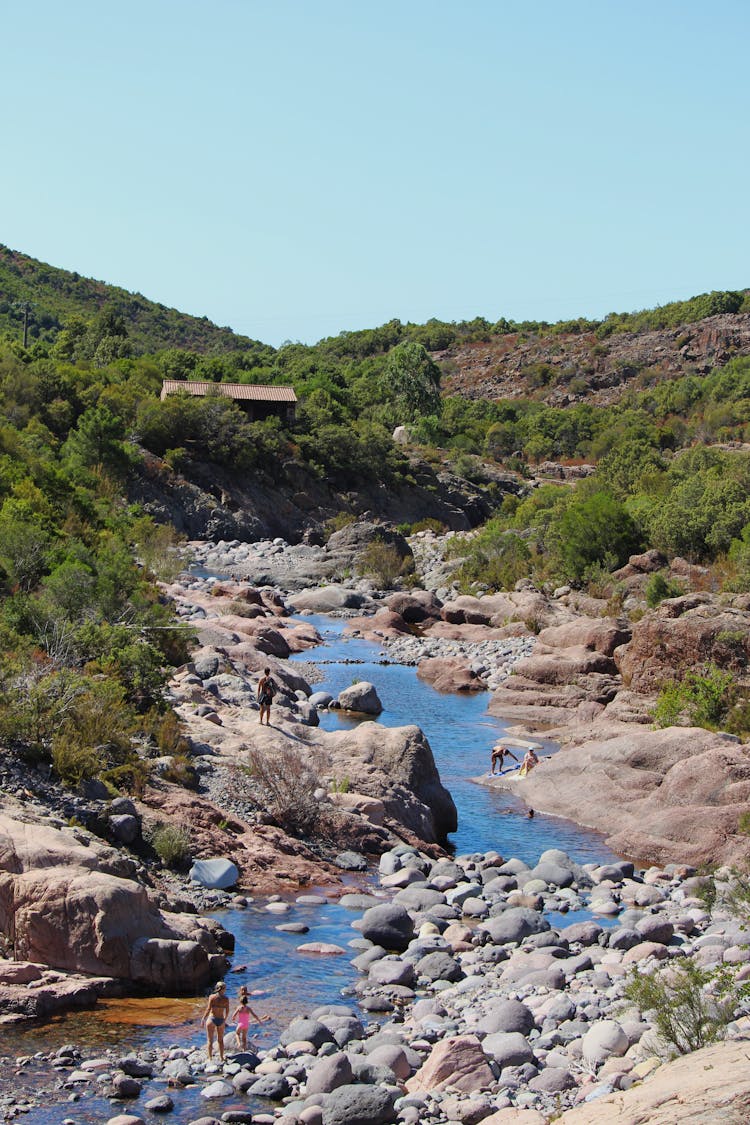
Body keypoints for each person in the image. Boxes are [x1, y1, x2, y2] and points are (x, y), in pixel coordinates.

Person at [231, 985, 271, 1050]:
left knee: (237, 1034)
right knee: (244, 1037)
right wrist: (259, 1021)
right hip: (246, 1025)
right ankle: (244, 1049)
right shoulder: (248, 1008)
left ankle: (238, 1044)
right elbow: (254, 1015)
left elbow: (234, 1015)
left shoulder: (239, 1007)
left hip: (240, 1024)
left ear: (240, 1001)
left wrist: (233, 1018)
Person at [201, 980, 230, 1061]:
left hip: (212, 1019)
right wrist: (225, 1019)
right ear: (223, 989)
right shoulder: (226, 999)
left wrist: (203, 1018)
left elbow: (208, 1009)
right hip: (221, 1020)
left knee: (210, 1040)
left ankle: (210, 1058)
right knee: (220, 1040)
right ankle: (221, 1057)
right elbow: (227, 1011)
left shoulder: (212, 997)